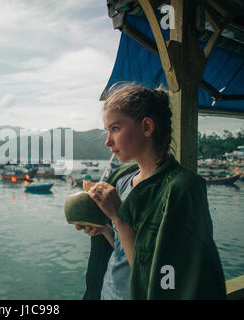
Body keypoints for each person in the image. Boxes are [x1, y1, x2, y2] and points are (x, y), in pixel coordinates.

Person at [76, 84, 226, 300]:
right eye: (107, 131)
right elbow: (125, 252)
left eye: (115, 128)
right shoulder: (123, 179)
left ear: (146, 127)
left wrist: (118, 215)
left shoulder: (181, 189)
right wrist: (106, 231)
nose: (108, 141)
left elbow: (165, 277)